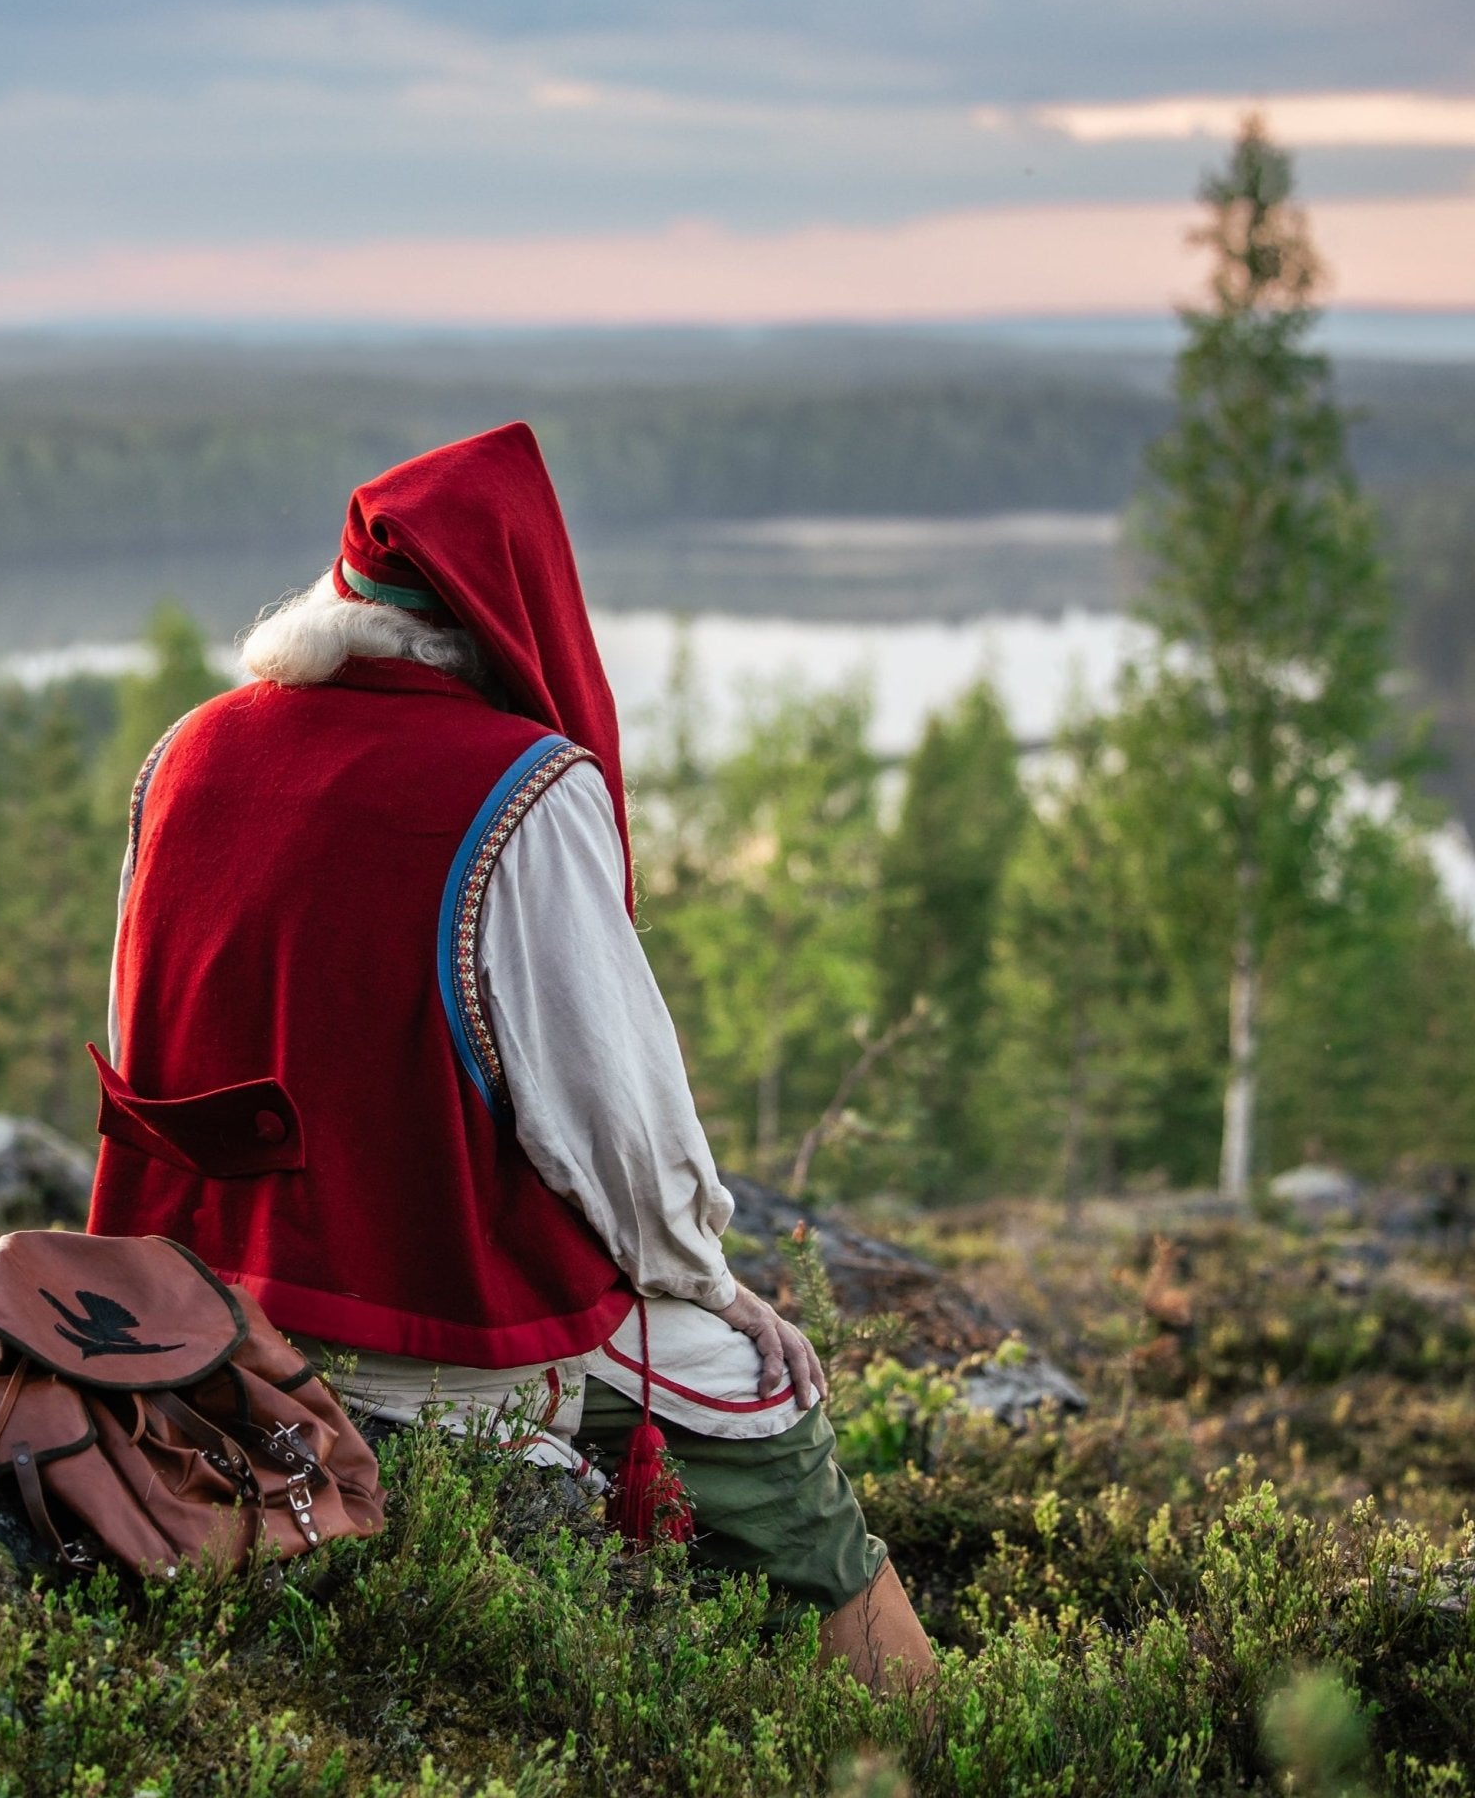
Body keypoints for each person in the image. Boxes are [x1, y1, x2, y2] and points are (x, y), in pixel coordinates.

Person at [85, 422, 935, 1694]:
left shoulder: (184, 754)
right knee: (770, 1409)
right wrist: (711, 1281)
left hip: (196, 1307)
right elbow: (618, 1132)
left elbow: (149, 1031)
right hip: (430, 1332)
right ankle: (927, 1727)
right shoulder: (519, 791)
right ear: (511, 618)